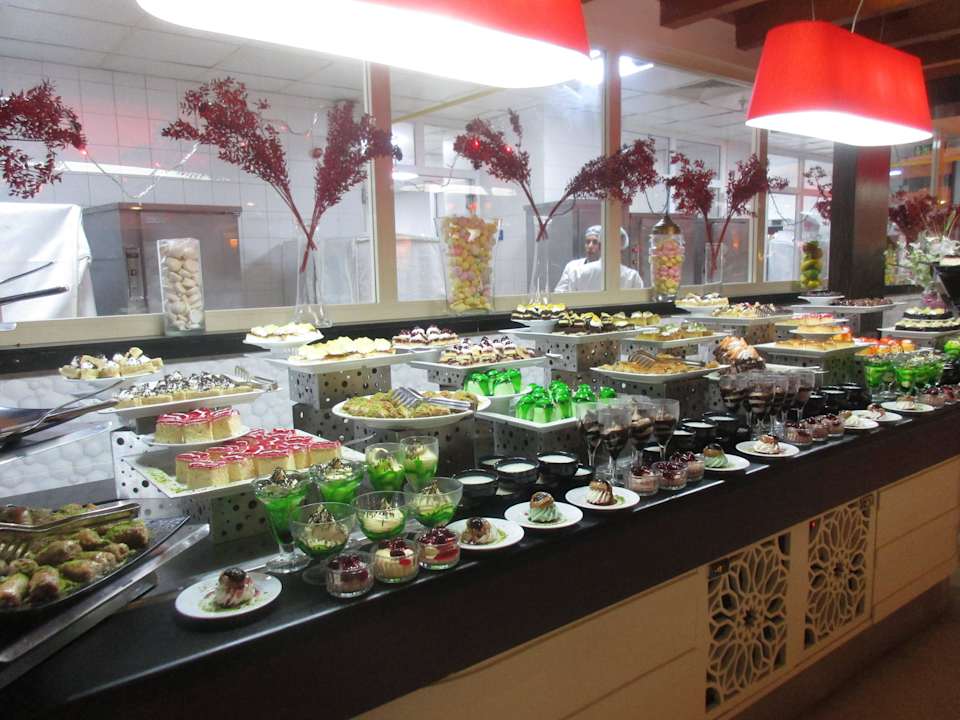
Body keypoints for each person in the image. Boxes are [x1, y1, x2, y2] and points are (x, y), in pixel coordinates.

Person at [554, 225, 643, 293]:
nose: (590, 246)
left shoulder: (577, 273)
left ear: (601, 245)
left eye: (595, 242)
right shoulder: (573, 268)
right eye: (587, 242)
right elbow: (560, 295)